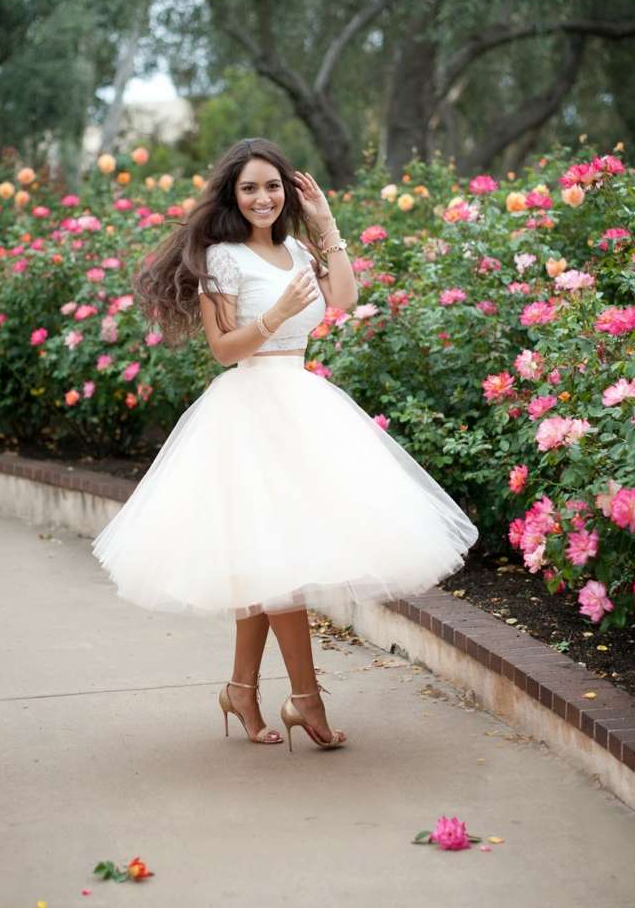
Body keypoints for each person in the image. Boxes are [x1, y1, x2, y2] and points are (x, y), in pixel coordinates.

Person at [91, 138, 479, 752]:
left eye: (272, 186)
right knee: (278, 565)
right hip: (247, 415)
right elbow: (222, 349)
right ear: (232, 195)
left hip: (301, 407)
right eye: (249, 188)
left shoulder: (297, 248)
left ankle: (241, 691)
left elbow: (344, 299)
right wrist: (272, 319)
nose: (263, 197)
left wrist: (326, 226)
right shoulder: (221, 258)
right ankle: (306, 699)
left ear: (287, 192)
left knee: (266, 561)